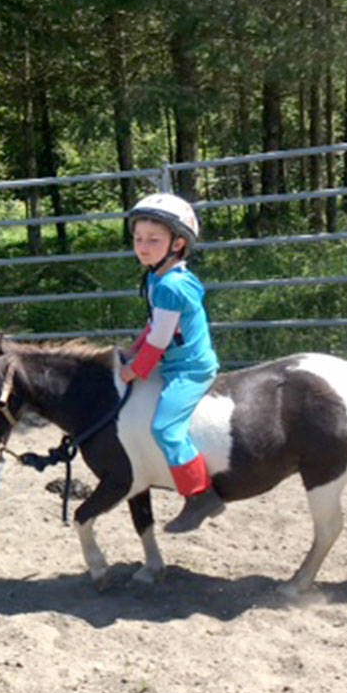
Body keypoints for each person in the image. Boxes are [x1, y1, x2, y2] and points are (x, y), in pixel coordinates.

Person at [118, 192, 224, 533]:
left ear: (177, 243)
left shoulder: (172, 287)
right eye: (138, 239)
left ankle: (201, 495)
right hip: (171, 360)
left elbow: (160, 340)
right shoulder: (156, 276)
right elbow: (154, 326)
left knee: (165, 427)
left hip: (189, 368)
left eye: (153, 240)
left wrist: (135, 369)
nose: (143, 247)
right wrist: (132, 350)